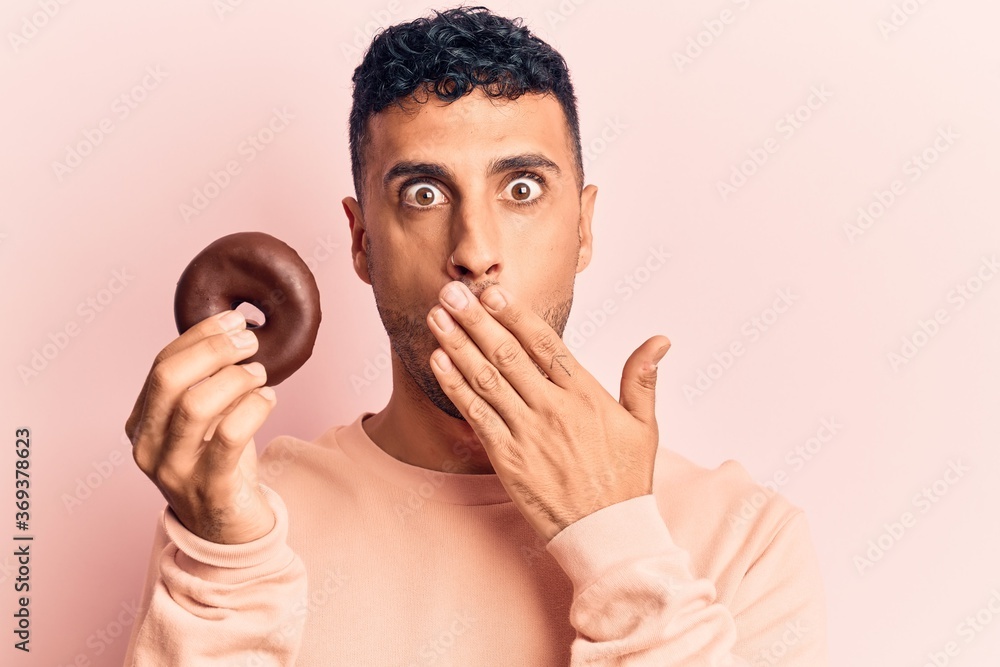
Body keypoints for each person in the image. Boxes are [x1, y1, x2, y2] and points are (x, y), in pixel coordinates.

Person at [123, 6, 829, 665]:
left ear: (583, 228)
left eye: (522, 188)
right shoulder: (242, 517)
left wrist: (617, 542)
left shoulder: (745, 539)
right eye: (423, 194)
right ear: (363, 241)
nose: (475, 251)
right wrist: (225, 561)